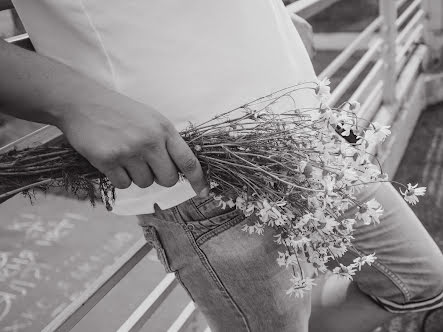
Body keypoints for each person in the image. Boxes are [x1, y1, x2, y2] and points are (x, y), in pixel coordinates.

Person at [1, 1, 442, 331]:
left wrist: (272, 20)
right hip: (195, 172)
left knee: (421, 282)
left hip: (313, 135)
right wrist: (73, 102)